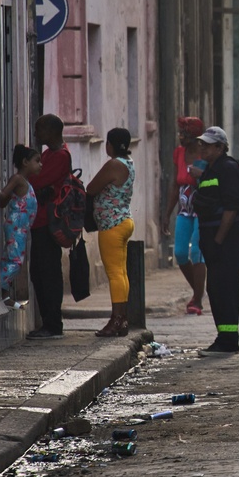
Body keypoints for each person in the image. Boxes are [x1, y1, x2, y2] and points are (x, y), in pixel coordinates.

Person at [193, 126, 239, 356]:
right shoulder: (210, 170)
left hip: (225, 239)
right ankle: (224, 337)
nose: (202, 147)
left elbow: (231, 208)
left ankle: (228, 340)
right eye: (201, 143)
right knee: (215, 288)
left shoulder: (227, 169)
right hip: (213, 240)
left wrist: (218, 241)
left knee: (225, 288)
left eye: (207, 144)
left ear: (220, 147)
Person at [26, 114, 73, 340]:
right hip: (40, 220)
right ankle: (49, 322)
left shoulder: (60, 156)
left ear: (52, 132)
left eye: (40, 129)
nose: (36, 134)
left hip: (49, 222)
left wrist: (24, 173)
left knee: (47, 272)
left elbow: (37, 179)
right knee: (39, 271)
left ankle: (53, 324)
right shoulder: (49, 154)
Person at [86, 128, 136, 337]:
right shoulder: (128, 163)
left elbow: (91, 188)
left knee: (115, 274)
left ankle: (117, 320)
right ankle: (122, 320)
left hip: (111, 225)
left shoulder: (114, 164)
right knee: (121, 273)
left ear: (111, 144)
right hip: (124, 221)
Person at [161, 116, 207, 315]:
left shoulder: (204, 154)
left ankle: (197, 299)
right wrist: (167, 214)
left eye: (184, 134)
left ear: (195, 137)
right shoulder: (179, 153)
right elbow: (175, 185)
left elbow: (210, 181)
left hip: (202, 210)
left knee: (196, 251)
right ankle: (198, 291)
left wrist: (201, 175)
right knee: (180, 253)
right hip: (184, 210)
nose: (180, 137)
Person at [0, 144, 41, 308]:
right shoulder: (17, 179)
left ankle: (5, 294)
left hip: (22, 230)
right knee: (15, 262)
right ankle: (2, 289)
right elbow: (3, 195)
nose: (40, 165)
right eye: (37, 161)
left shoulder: (26, 183)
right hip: (16, 227)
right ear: (25, 162)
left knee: (12, 259)